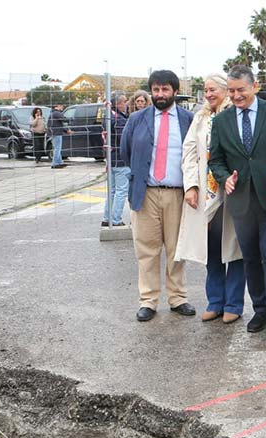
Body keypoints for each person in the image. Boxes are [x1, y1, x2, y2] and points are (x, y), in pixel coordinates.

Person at [208, 65, 266, 340]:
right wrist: (224, 178)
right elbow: (216, 159)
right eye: (232, 90)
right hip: (241, 201)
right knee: (250, 258)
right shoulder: (222, 121)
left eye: (242, 90)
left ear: (254, 86)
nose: (237, 96)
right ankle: (260, 309)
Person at [120, 70, 197, 322]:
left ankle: (178, 297)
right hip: (146, 193)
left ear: (175, 92)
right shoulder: (136, 119)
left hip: (178, 195)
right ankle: (148, 300)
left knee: (177, 249)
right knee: (147, 250)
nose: (160, 94)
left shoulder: (188, 119)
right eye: (156, 89)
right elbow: (126, 151)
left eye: (165, 89)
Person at [175, 74, 245, 324]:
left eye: (213, 89)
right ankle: (215, 300)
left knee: (234, 247)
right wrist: (191, 186)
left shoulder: (236, 113)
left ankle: (234, 303)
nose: (209, 94)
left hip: (233, 190)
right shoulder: (201, 118)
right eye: (205, 90)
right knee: (211, 248)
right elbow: (189, 152)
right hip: (207, 191)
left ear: (226, 90)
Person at [101, 91, 130, 228]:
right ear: (118, 104)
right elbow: (124, 139)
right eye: (124, 101)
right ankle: (116, 219)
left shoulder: (108, 118)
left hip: (111, 158)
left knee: (112, 190)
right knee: (121, 190)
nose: (127, 104)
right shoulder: (119, 119)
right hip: (121, 159)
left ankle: (107, 218)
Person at [48, 103, 72, 168]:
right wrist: (71, 119)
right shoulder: (56, 113)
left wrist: (66, 130)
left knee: (57, 148)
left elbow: (59, 125)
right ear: (58, 106)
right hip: (56, 133)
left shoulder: (53, 113)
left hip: (55, 133)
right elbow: (64, 119)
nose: (63, 108)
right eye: (62, 106)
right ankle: (55, 163)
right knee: (57, 148)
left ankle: (59, 162)